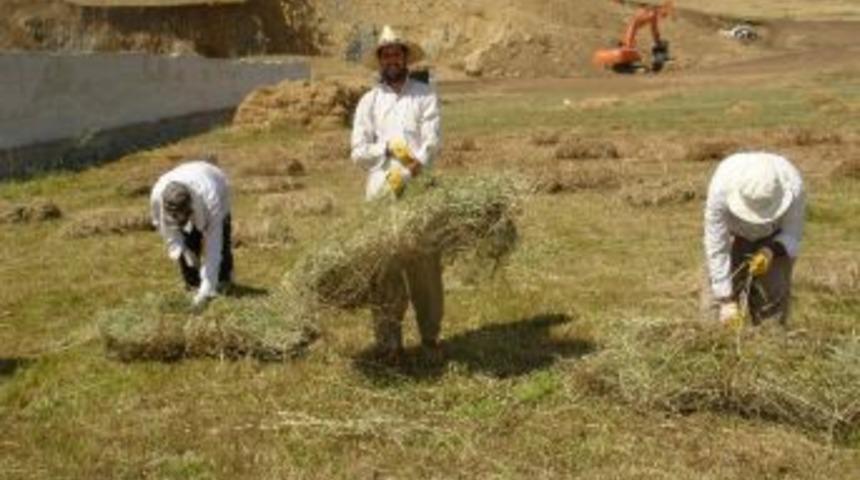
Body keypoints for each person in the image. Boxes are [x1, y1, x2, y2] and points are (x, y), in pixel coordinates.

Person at [350, 25, 443, 362]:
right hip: (381, 194)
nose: (391, 59)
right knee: (384, 269)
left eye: (396, 53)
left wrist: (417, 163)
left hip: (418, 190)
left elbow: (432, 139)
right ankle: (390, 343)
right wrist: (386, 148)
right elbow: (358, 152)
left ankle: (430, 338)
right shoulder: (368, 102)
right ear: (379, 61)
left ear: (405, 58)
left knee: (425, 267)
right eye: (385, 54)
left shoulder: (424, 95)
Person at [702, 152, 806, 326]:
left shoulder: (793, 185)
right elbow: (716, 244)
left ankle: (769, 345)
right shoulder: (721, 186)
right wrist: (725, 300)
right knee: (713, 307)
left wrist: (770, 251)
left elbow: (792, 234)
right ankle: (716, 342)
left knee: (772, 303)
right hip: (732, 235)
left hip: (774, 238)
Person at [150, 160, 233, 308]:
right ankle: (193, 284)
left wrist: (206, 289)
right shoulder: (157, 196)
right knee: (188, 240)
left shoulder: (210, 198)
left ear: (190, 207)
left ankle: (222, 282)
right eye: (176, 216)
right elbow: (166, 230)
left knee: (223, 242)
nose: (181, 220)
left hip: (216, 181)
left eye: (185, 215)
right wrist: (184, 251)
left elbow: (214, 246)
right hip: (187, 173)